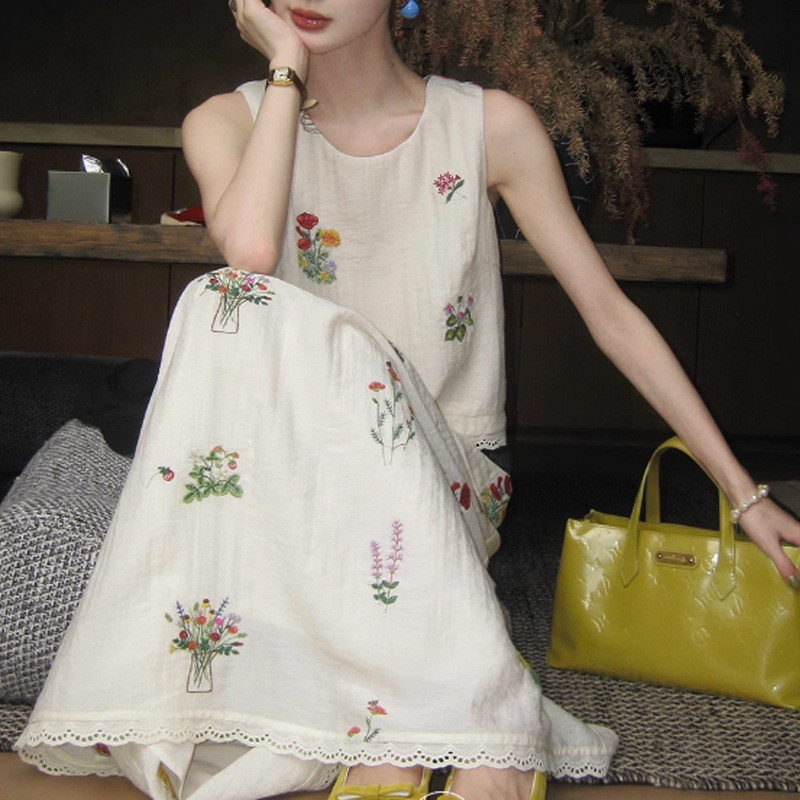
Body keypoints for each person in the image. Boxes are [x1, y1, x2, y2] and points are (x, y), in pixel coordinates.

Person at [15, 0, 800, 799]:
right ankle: (437, 726)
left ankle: (434, 730)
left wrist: (744, 495)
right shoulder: (226, 122)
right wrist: (285, 71)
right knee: (224, 298)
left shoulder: (489, 126)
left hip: (440, 479)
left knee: (342, 346)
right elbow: (249, 251)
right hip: (293, 490)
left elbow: (610, 315)